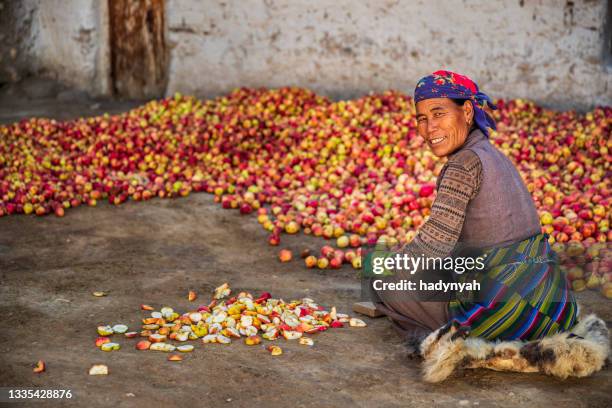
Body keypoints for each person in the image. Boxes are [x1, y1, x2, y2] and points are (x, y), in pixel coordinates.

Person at [370, 70, 578, 343]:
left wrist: (389, 266)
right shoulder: (494, 155)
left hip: (508, 313)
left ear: (467, 111)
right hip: (555, 304)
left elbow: (432, 248)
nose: (429, 127)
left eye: (438, 113)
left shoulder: (462, 164)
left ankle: (462, 334)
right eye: (422, 118)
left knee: (382, 280)